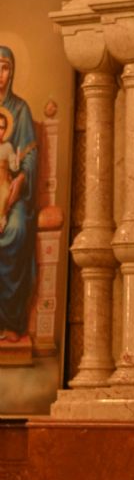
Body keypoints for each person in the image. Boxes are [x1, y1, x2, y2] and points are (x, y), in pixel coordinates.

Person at [0, 46, 38, 343]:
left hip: (12, 192)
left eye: (4, 68)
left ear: (11, 72)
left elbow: (29, 156)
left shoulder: (21, 110)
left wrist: (21, 179)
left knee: (15, 230)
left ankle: (11, 321)